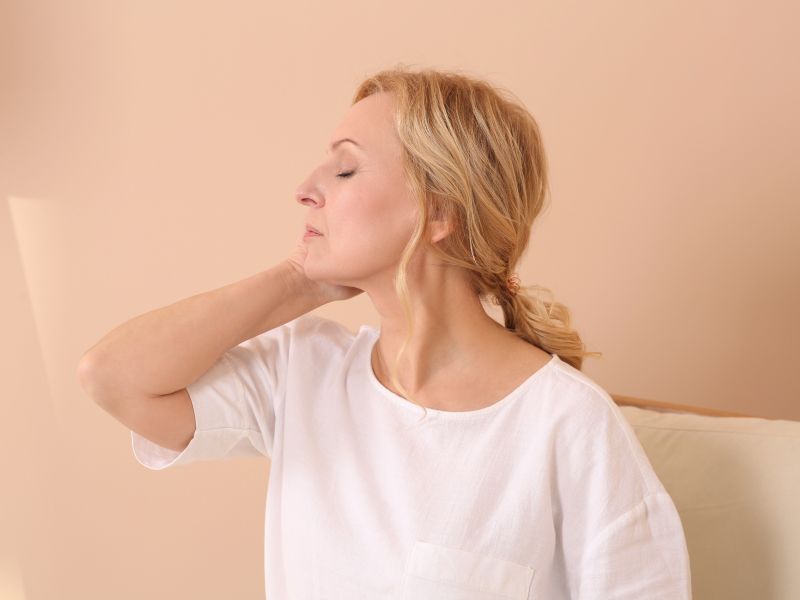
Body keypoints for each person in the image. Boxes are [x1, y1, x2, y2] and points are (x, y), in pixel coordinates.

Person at [78, 65, 692, 599]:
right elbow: (113, 377)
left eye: (345, 170)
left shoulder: (569, 424)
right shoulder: (301, 374)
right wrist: (297, 281)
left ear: (440, 211)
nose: (305, 190)